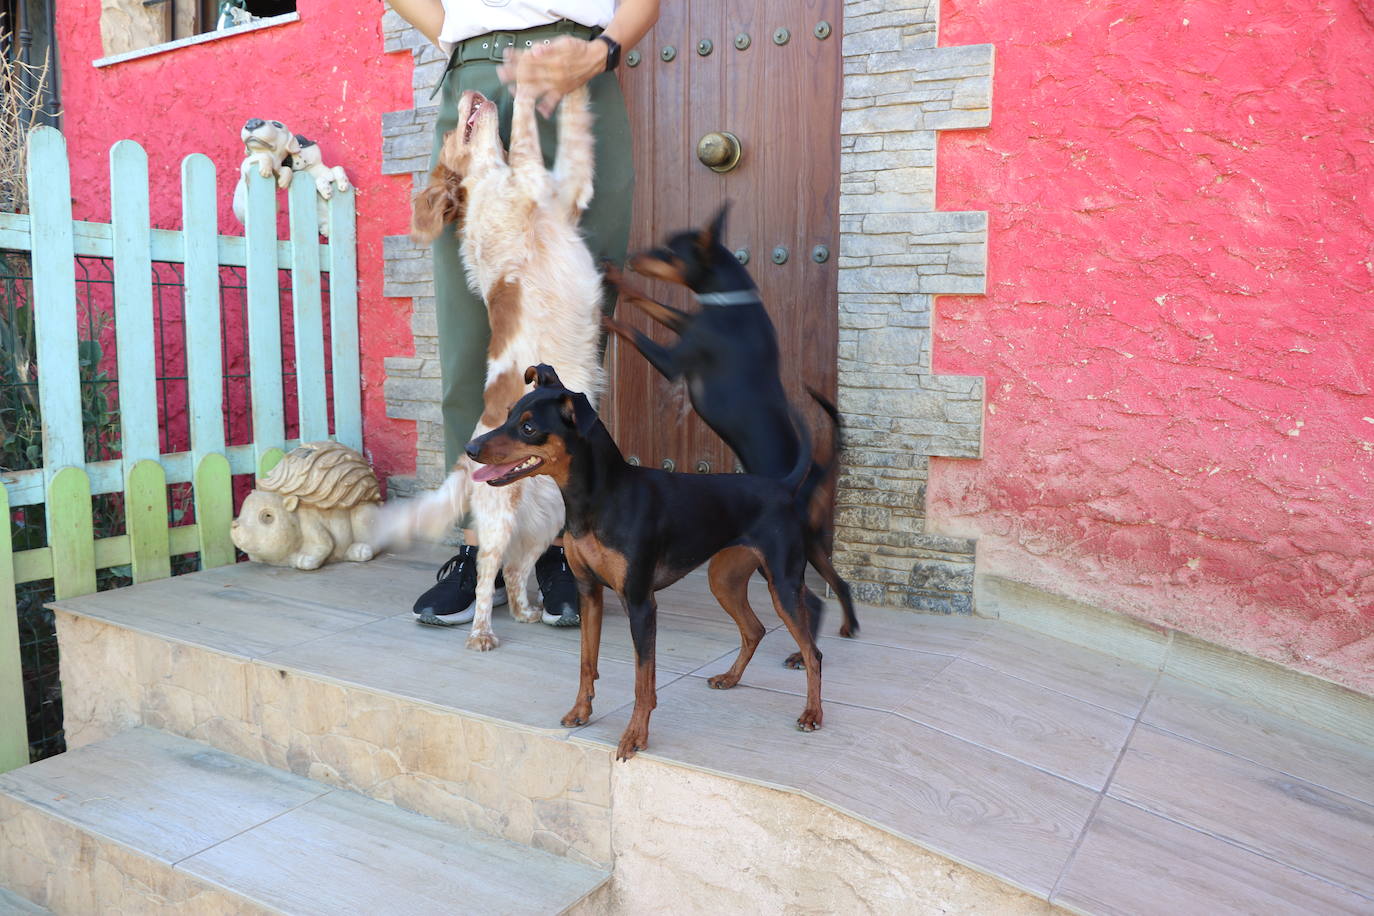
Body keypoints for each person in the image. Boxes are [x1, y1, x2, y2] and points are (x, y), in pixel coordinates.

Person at [386, 0, 660, 628]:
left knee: (568, 341)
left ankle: (562, 544)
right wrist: (453, 32)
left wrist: (602, 50)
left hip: (572, 72)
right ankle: (475, 541)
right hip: (476, 78)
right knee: (470, 341)